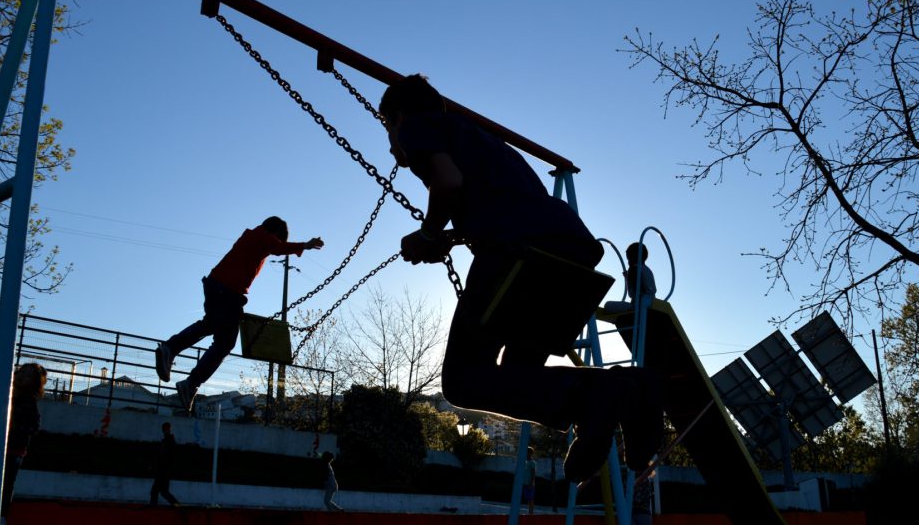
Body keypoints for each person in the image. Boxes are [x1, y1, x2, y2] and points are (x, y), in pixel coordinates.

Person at [379, 74, 663, 483]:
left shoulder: (419, 126)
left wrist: (427, 233)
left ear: (398, 116)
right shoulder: (482, 142)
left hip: (522, 253)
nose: (391, 140)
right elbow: (496, 204)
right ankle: (635, 387)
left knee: (463, 381)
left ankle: (600, 396)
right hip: (573, 254)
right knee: (520, 375)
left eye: (387, 125)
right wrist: (446, 237)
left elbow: (448, 181)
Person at [154, 216, 323, 412]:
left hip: (216, 286)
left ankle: (171, 349)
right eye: (279, 239)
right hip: (227, 291)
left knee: (209, 325)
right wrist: (305, 245)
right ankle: (190, 383)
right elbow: (276, 247)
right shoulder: (262, 237)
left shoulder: (252, 237)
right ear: (275, 233)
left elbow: (272, 247)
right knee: (225, 342)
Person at [0, 363, 47, 522]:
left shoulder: (28, 402)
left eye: (27, 375)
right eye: (20, 372)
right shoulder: (4, 395)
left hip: (12, 451)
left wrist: (14, 427)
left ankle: (0, 516)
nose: (21, 376)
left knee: (4, 486)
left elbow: (34, 426)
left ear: (34, 383)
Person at [149, 422, 180, 507]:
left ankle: (153, 508)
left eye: (167, 429)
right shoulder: (167, 441)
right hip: (164, 471)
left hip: (163, 471)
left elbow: (166, 457)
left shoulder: (169, 441)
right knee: (163, 491)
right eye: (165, 429)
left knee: (156, 491)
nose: (166, 431)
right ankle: (177, 505)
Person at [523, 446, 537, 515]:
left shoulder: (532, 463)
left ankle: (531, 513)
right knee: (528, 498)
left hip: (530, 484)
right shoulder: (524, 462)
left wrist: (531, 483)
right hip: (525, 483)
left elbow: (533, 474)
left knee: (531, 498)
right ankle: (529, 512)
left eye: (529, 452)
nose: (527, 454)